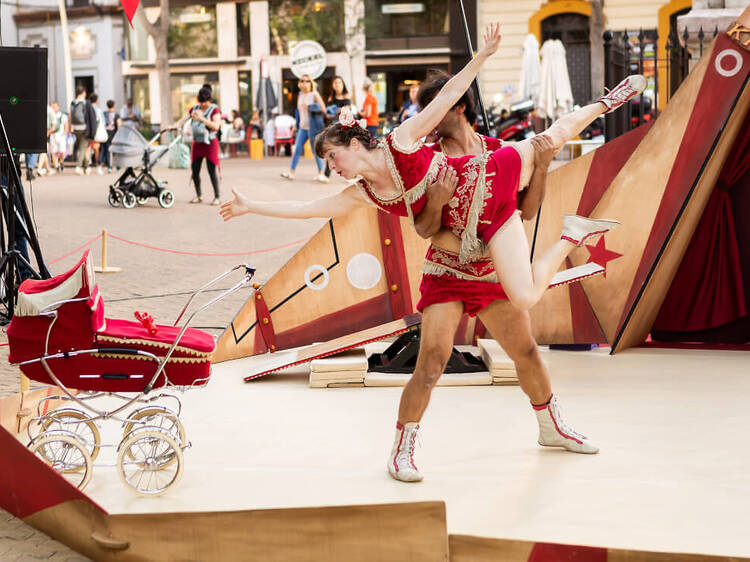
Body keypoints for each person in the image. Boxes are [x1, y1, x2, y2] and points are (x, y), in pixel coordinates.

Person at [220, 22, 644, 480]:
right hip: (448, 266)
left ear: (352, 143)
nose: (331, 167)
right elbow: (306, 208)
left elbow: (445, 101)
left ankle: (552, 427)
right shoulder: (365, 192)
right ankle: (401, 449)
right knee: (432, 360)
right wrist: (249, 206)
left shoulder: (402, 142)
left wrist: (481, 58)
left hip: (487, 221)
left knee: (526, 349)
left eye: (331, 157)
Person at [172, 85, 222, 205]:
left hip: (210, 142)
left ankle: (217, 196)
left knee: (211, 170)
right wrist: (174, 126)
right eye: (201, 102)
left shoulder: (214, 109)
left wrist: (201, 118)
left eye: (205, 102)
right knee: (195, 170)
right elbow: (183, 119)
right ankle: (199, 195)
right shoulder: (195, 108)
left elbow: (216, 126)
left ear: (209, 100)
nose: (203, 104)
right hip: (197, 142)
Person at [280, 74, 328, 183]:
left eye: (307, 81)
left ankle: (321, 174)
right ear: (300, 83)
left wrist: (311, 107)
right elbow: (298, 112)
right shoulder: (300, 95)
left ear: (311, 83)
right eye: (302, 80)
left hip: (313, 128)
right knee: (297, 149)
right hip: (302, 127)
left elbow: (324, 109)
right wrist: (295, 124)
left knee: (316, 151)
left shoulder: (314, 94)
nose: (304, 82)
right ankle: (291, 173)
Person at [324, 76, 352, 178]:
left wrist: (335, 110)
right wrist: (332, 111)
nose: (337, 85)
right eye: (335, 83)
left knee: (345, 150)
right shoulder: (331, 97)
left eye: (339, 82)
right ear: (333, 85)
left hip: (344, 126)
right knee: (331, 149)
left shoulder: (346, 95)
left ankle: (349, 173)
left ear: (343, 84)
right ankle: (326, 174)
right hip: (334, 126)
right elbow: (328, 113)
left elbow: (347, 109)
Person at [69, 85, 96, 175]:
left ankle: (86, 167)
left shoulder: (73, 102)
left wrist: (70, 127)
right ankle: (79, 166)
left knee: (82, 148)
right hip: (84, 128)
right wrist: (93, 131)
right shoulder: (86, 103)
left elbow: (70, 116)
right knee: (83, 148)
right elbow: (91, 117)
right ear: (84, 93)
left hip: (75, 128)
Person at [87, 94, 108, 175]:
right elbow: (103, 122)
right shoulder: (98, 110)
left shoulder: (87, 109)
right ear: (96, 100)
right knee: (96, 149)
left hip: (88, 131)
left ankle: (87, 165)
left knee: (88, 147)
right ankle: (98, 165)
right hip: (96, 132)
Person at [100, 100, 118, 173]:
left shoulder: (104, 114)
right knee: (114, 150)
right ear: (113, 106)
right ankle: (117, 166)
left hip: (105, 133)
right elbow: (119, 124)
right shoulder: (116, 114)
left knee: (106, 150)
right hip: (113, 133)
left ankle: (109, 167)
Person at [49, 103, 68, 173]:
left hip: (61, 136)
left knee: (62, 151)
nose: (54, 108)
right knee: (54, 152)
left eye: (55, 107)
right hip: (53, 135)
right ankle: (56, 166)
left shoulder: (62, 116)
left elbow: (66, 126)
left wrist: (63, 135)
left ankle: (61, 162)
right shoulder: (50, 116)